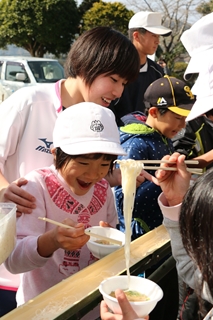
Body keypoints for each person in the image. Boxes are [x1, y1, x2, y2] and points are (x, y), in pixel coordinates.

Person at [0, 26, 140, 316]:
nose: (117, 92)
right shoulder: (29, 102)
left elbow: (93, 176)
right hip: (16, 261)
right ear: (88, 65)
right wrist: (4, 187)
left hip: (72, 273)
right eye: (113, 79)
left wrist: (117, 174)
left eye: (124, 83)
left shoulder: (102, 120)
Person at [4, 102, 126, 319]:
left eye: (104, 164)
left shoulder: (103, 188)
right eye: (83, 163)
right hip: (42, 309)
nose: (94, 174)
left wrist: (109, 241)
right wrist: (52, 241)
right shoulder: (36, 186)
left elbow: (113, 236)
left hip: (91, 307)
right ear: (55, 153)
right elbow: (13, 261)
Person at [115, 75, 194, 240]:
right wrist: (165, 184)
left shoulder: (162, 136)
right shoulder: (135, 144)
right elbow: (122, 201)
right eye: (178, 118)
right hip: (139, 236)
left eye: (185, 118)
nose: (183, 125)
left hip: (161, 226)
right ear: (154, 112)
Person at [109, 11, 171, 126]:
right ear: (136, 36)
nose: (157, 41)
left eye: (158, 36)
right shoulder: (114, 69)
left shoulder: (157, 72)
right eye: (153, 35)